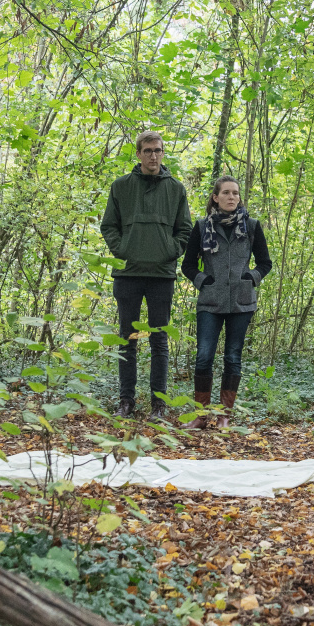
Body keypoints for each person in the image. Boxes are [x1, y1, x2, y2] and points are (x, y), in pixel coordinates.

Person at [99, 130, 193, 418]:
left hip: (162, 275)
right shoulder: (121, 186)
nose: (154, 155)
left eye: (158, 150)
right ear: (138, 154)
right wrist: (123, 250)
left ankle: (159, 404)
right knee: (128, 338)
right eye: (148, 150)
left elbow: (185, 230)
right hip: (128, 273)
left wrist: (168, 250)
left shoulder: (176, 189)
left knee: (159, 341)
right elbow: (109, 226)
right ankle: (126, 402)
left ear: (163, 153)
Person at [182, 175, 272, 430]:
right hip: (210, 301)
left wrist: (251, 277)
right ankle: (201, 416)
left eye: (235, 193)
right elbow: (187, 265)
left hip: (242, 303)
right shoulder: (202, 226)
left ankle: (224, 416)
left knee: (233, 357)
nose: (232, 197)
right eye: (226, 193)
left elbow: (265, 263)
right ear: (215, 197)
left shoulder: (252, 226)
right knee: (204, 357)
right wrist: (203, 280)